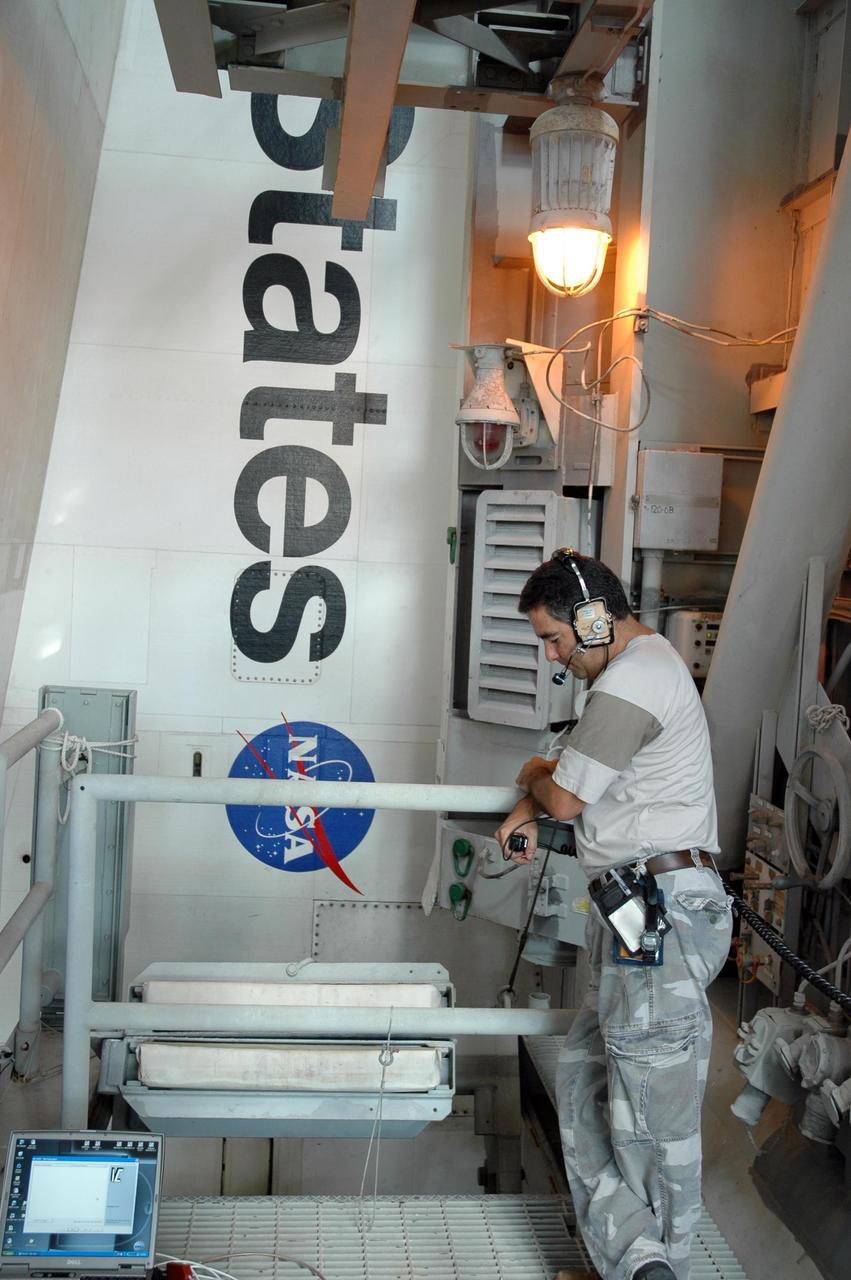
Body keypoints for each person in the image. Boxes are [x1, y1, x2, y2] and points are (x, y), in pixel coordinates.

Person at [496, 550, 732, 1280]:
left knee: (653, 1121)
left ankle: (663, 1268)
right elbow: (570, 778)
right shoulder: (637, 676)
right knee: (588, 1084)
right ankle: (632, 1263)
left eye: (553, 638)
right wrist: (537, 791)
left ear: (594, 618)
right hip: (635, 911)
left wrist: (532, 782)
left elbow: (563, 793)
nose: (550, 655)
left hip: (655, 912)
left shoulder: (634, 679)